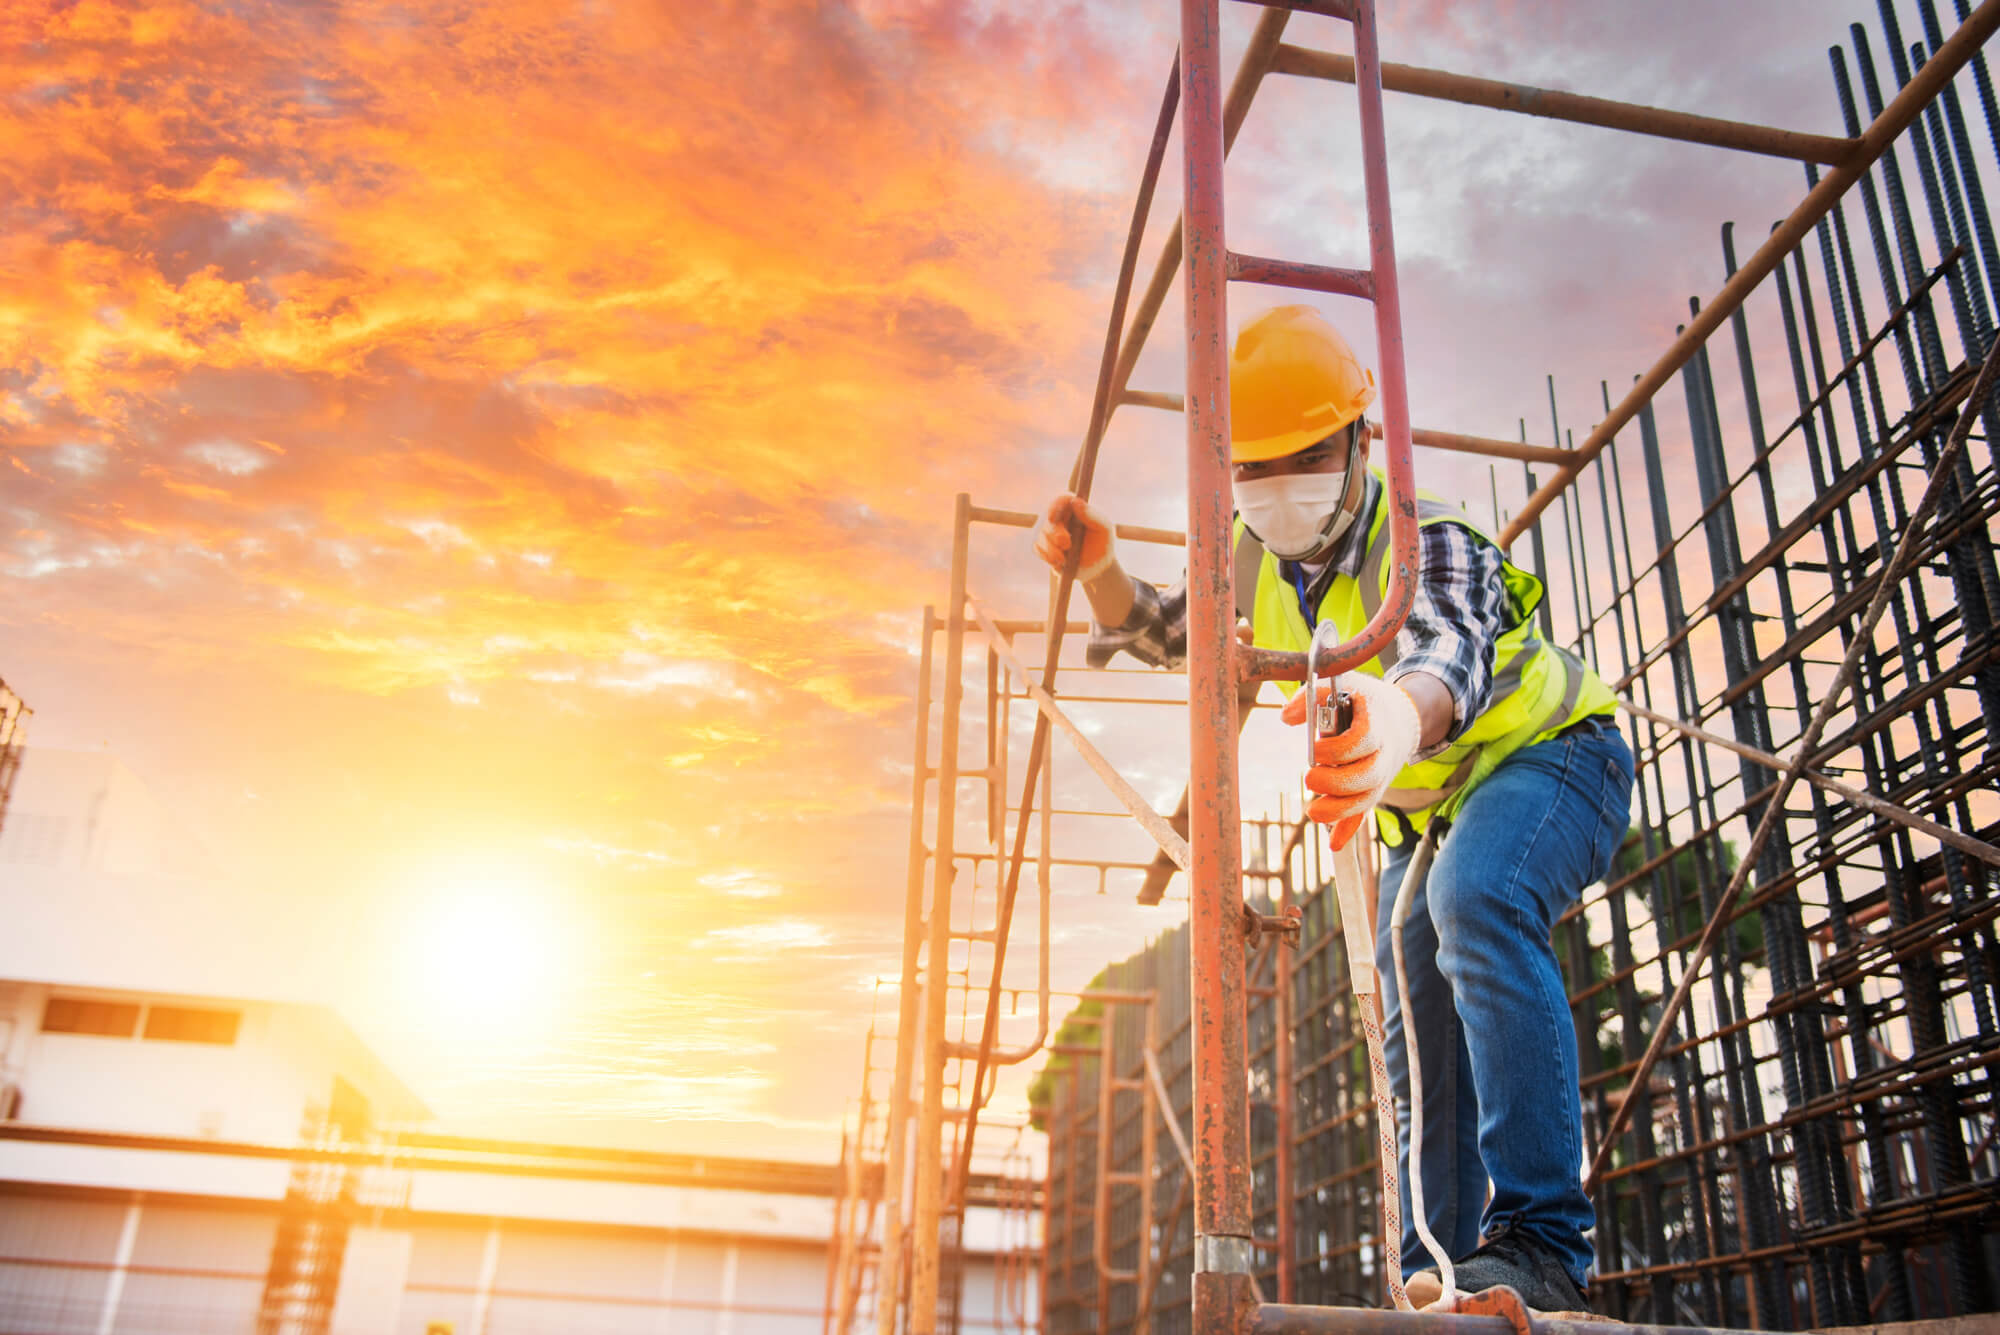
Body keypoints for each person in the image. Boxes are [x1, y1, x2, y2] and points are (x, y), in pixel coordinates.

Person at [1032, 305, 1633, 1313]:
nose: (1275, 490)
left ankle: (1537, 1244)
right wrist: (1097, 567)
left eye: (1302, 456)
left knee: (1473, 898)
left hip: (1551, 759)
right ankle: (1437, 1270)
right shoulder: (1246, 558)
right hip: (1429, 816)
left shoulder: (1427, 535)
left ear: (1358, 440)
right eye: (1251, 467)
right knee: (1412, 1004)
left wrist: (1392, 720)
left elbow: (1445, 654)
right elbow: (1178, 634)